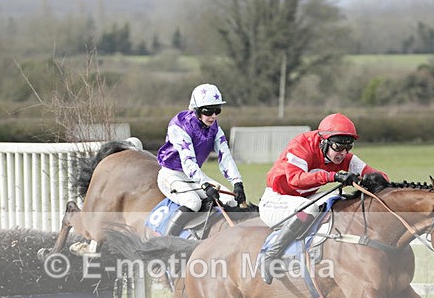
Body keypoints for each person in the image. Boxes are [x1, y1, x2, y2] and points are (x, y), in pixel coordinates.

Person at [257, 113, 389, 284]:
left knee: (339, 199)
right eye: (338, 147)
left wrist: (375, 179)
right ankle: (270, 255)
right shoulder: (301, 145)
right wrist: (332, 176)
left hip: (304, 198)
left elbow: (381, 176)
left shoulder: (342, 155)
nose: (342, 153)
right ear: (324, 142)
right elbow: (295, 180)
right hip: (276, 200)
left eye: (348, 148)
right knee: (309, 208)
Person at [156, 83, 247, 236]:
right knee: (193, 202)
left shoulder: (215, 128)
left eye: (217, 110)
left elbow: (225, 157)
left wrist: (237, 182)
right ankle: (165, 242)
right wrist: (204, 184)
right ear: (196, 110)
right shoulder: (179, 126)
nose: (213, 116)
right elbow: (188, 161)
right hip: (171, 174)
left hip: (192, 176)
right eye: (208, 111)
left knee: (230, 200)